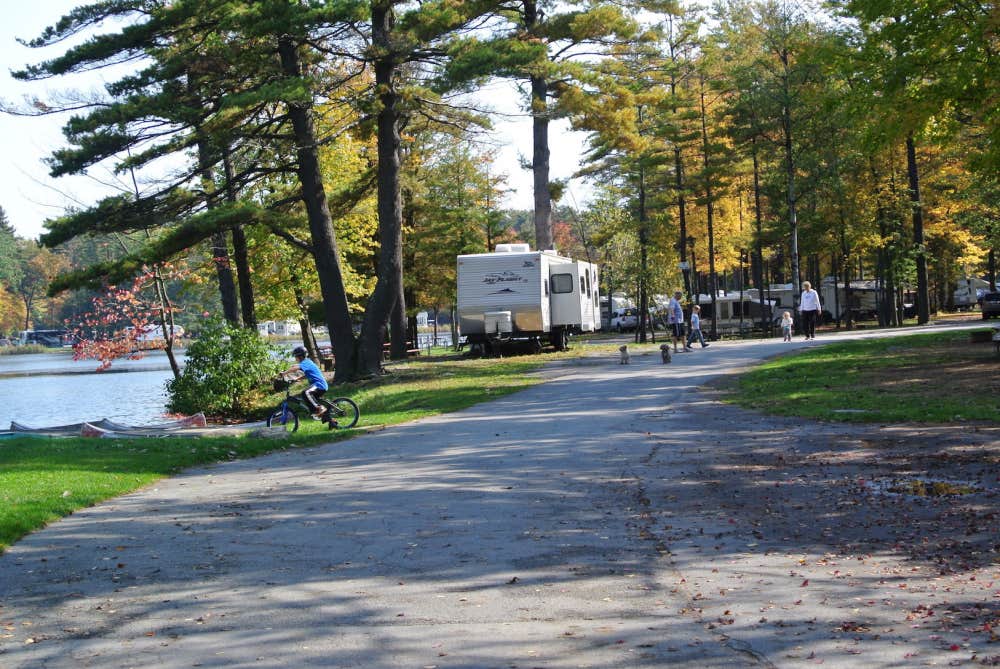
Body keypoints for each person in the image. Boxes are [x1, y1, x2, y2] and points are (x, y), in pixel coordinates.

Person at [281, 345, 329, 419]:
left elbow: (295, 368)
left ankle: (320, 408)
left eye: (295, 356)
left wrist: (284, 373)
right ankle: (326, 418)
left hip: (319, 385)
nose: (295, 358)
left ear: (300, 356)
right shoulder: (307, 362)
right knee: (308, 399)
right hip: (317, 386)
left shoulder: (306, 362)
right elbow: (308, 374)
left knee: (305, 392)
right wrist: (297, 379)